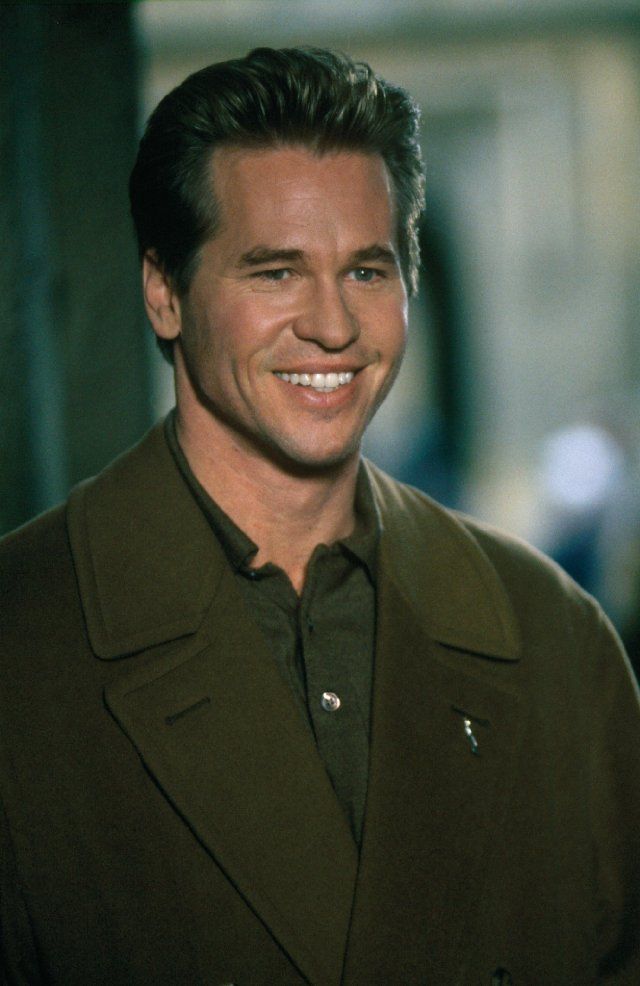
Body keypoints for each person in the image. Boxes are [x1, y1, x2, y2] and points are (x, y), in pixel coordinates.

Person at [0, 46, 638, 986]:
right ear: (164, 292)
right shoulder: (22, 644)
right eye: (276, 273)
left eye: (367, 272)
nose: (334, 327)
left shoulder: (553, 638)